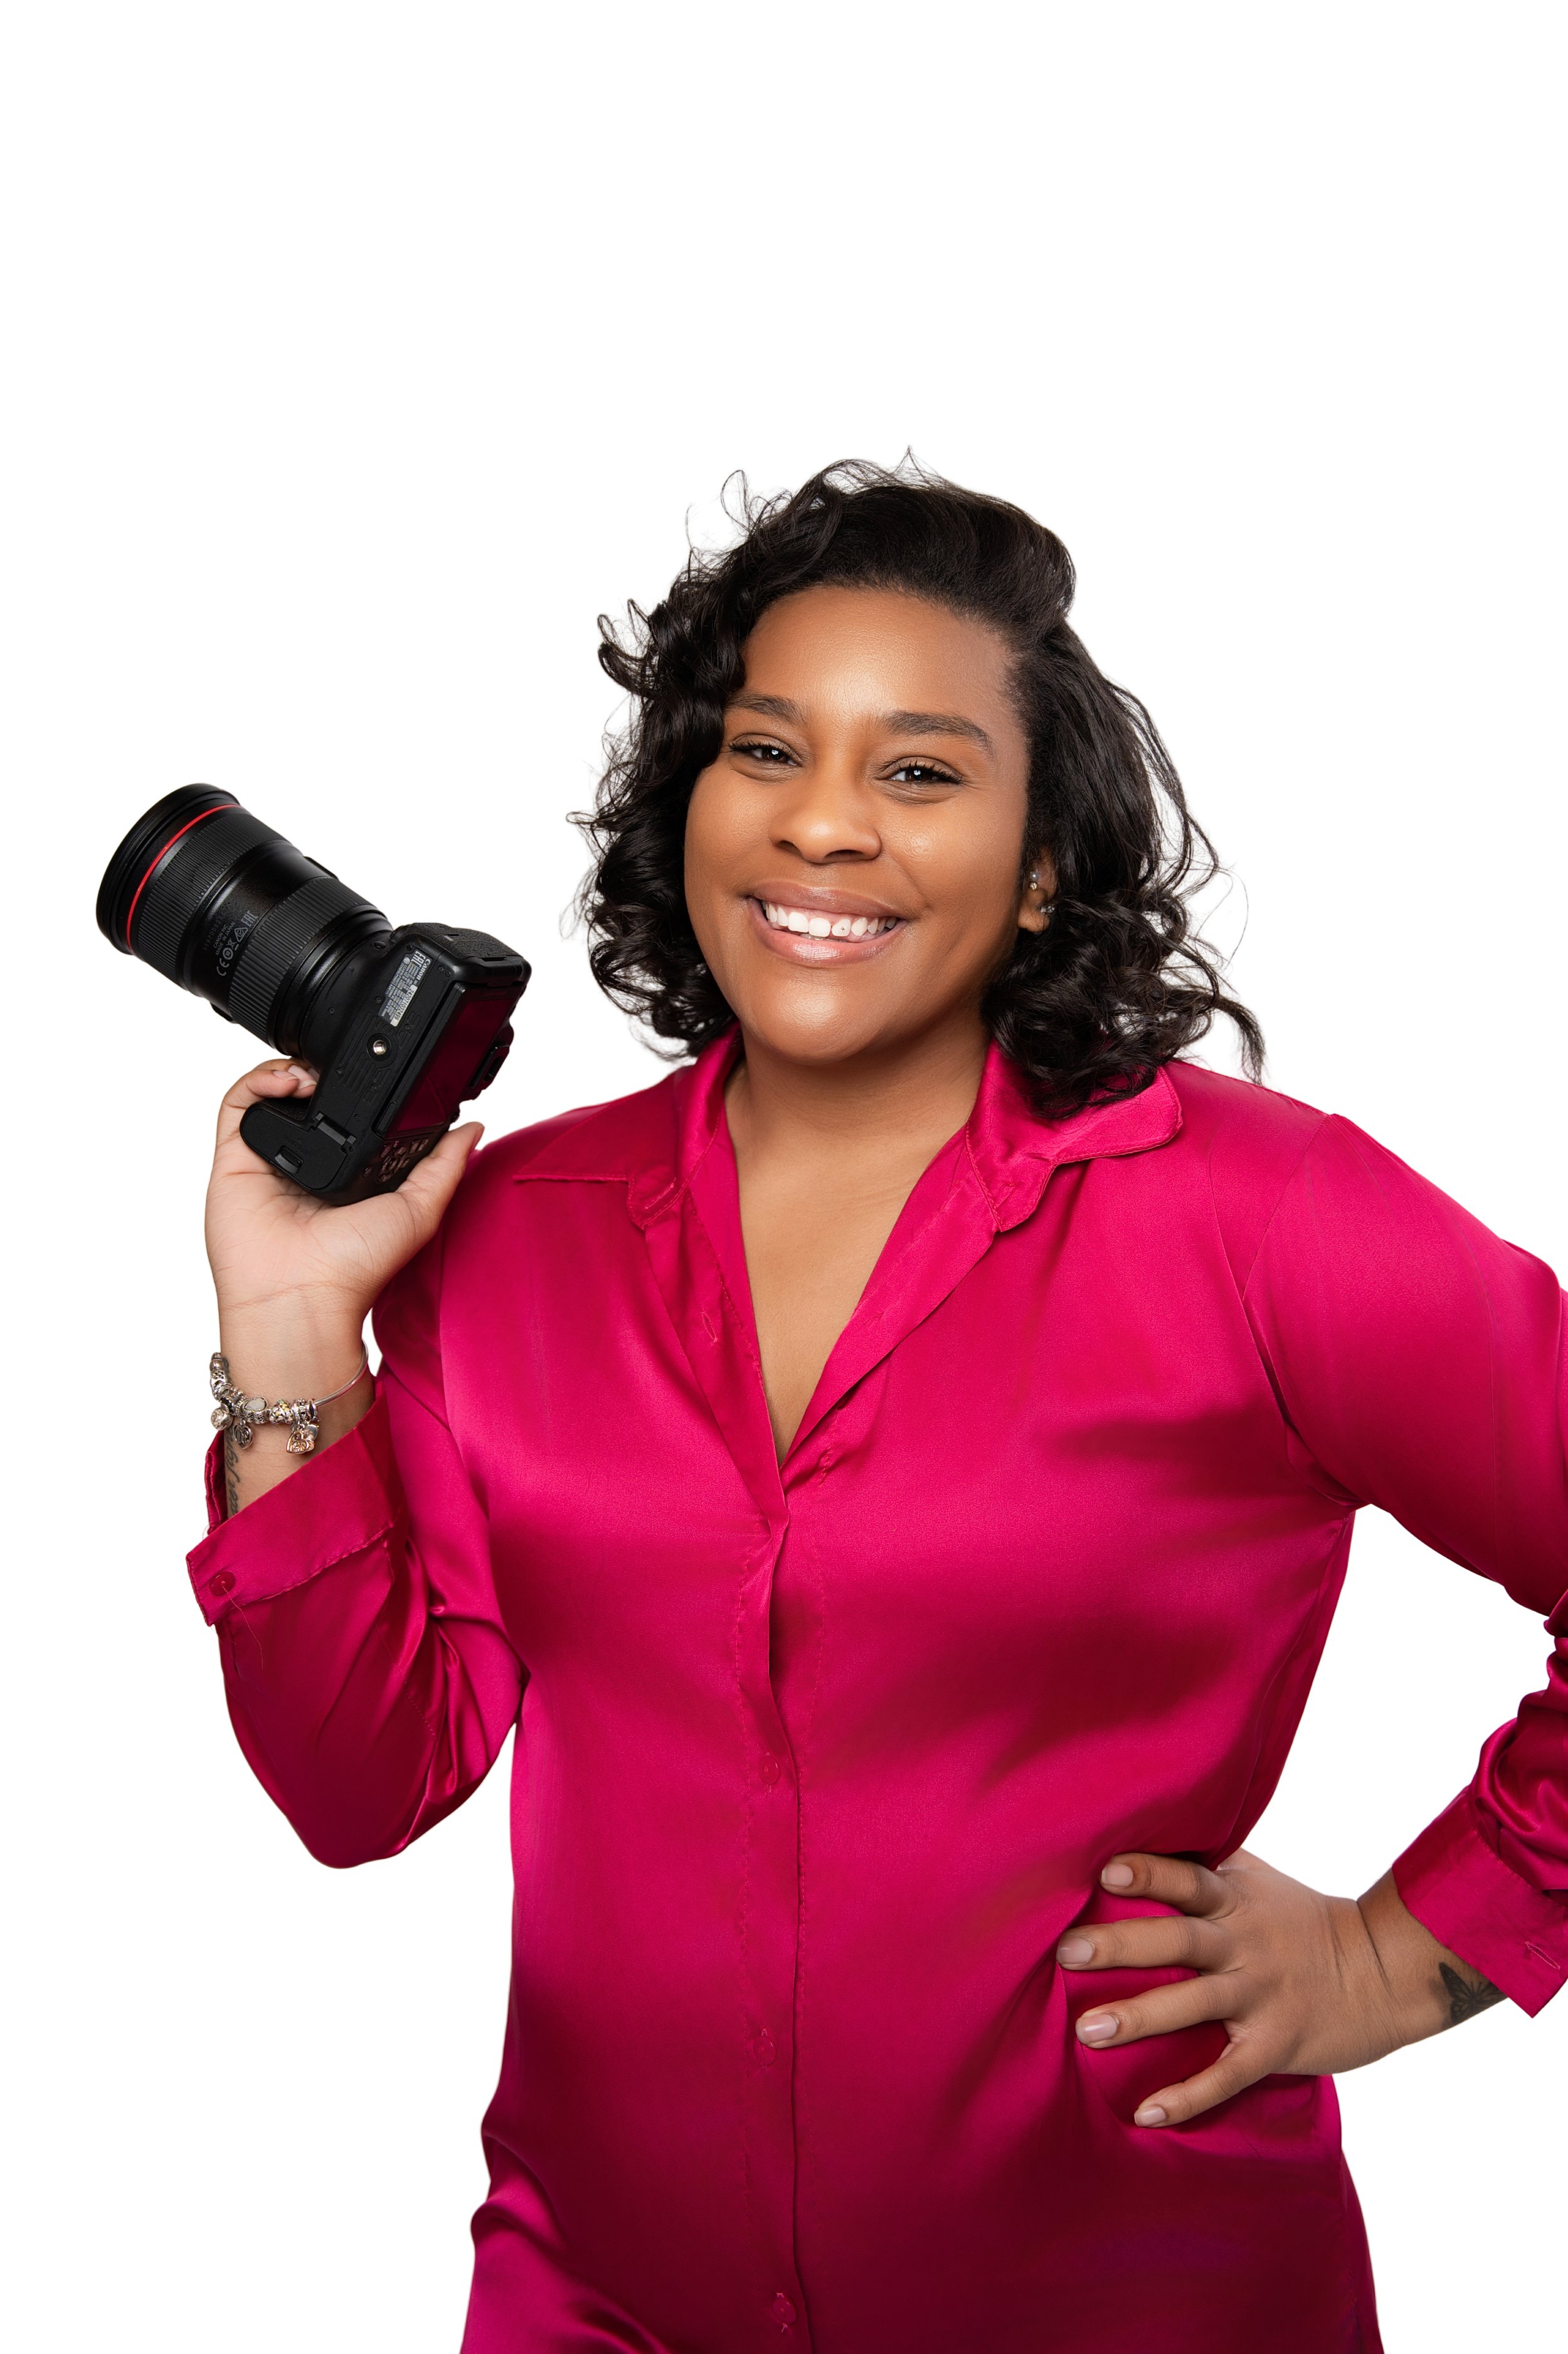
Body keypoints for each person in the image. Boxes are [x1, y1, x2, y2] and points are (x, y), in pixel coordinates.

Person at [191, 462, 1567, 2353]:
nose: (823, 824)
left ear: (1040, 866)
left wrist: (1397, 1954)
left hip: (1137, 2309)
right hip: (600, 2307)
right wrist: (287, 1345)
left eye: (917, 771)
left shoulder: (1261, 1221)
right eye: (766, 750)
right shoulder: (502, 1237)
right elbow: (362, 1781)